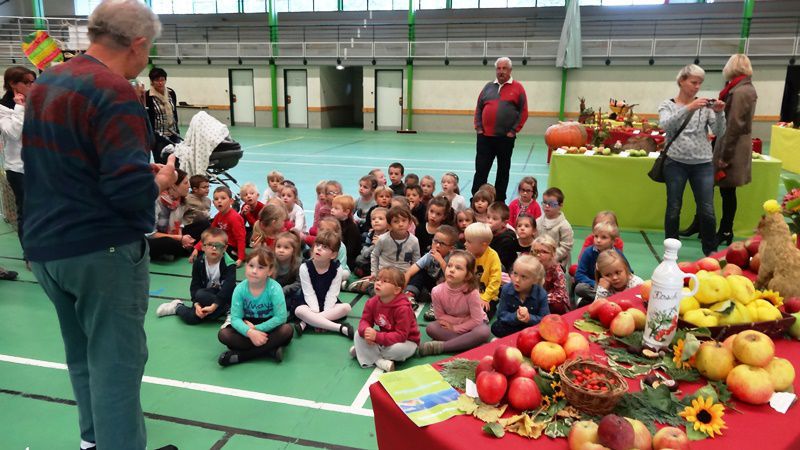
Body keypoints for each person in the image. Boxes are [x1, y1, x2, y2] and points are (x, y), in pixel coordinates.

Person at [21, 1, 174, 448]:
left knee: (83, 357)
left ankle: (92, 442)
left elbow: (59, 165)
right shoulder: (115, 90)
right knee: (117, 365)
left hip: (48, 246)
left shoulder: (48, 81)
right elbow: (126, 189)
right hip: (101, 251)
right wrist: (159, 180)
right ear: (139, 43)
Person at [659, 64, 726, 256]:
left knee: (707, 210)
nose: (697, 87)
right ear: (681, 81)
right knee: (673, 207)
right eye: (693, 82)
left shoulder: (706, 107)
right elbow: (665, 125)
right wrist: (688, 108)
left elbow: (720, 132)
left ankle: (711, 252)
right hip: (675, 163)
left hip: (703, 164)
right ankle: (671, 250)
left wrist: (720, 113)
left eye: (700, 83)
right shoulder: (667, 105)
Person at [217, 247, 294, 366]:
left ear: (270, 271)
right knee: (224, 335)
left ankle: (242, 356)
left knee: (287, 330)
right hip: (247, 326)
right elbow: (236, 318)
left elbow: (281, 318)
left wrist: (257, 329)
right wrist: (249, 332)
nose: (254, 271)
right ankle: (269, 350)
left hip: (269, 326)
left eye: (261, 267)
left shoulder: (274, 288)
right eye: (251, 265)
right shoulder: (240, 289)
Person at [712, 54, 757, 246]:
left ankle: (725, 230)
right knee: (726, 191)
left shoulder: (740, 92)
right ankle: (723, 229)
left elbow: (734, 125)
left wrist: (725, 155)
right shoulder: (741, 88)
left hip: (733, 146)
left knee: (727, 191)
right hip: (733, 143)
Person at [471, 57, 528, 203]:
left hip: (505, 138)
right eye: (499, 68)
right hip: (485, 138)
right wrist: (478, 128)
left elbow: (523, 112)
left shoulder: (518, 88)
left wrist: (513, 131)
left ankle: (500, 200)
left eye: (504, 68)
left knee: (503, 170)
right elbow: (479, 107)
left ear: (510, 70)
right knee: (481, 170)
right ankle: (476, 198)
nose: (501, 71)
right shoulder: (488, 87)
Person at [156, 227, 236, 324]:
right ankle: (177, 306)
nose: (214, 248)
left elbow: (228, 288)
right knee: (193, 317)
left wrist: (214, 306)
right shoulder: (199, 262)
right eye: (210, 245)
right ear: (202, 247)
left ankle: (230, 311)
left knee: (205, 300)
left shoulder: (229, 264)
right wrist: (196, 304)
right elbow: (195, 286)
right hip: (207, 297)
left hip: (225, 299)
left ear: (225, 248)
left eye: (218, 245)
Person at [419, 250, 490, 356]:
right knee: (431, 328)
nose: (451, 270)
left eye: (458, 268)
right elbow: (440, 316)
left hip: (474, 325)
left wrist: (456, 328)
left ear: (468, 276)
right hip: (450, 325)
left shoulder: (472, 291)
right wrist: (455, 324)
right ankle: (470, 344)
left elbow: (476, 320)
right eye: (449, 266)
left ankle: (442, 347)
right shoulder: (436, 291)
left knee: (483, 332)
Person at [351, 267, 420, 372]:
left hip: (406, 342)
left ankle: (364, 352)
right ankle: (379, 361)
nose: (378, 283)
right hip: (384, 340)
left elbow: (401, 335)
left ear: (397, 290)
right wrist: (366, 331)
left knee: (396, 350)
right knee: (358, 334)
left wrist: (377, 336)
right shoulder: (372, 302)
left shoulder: (403, 308)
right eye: (377, 279)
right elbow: (365, 321)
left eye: (385, 281)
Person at [0, 66, 35, 262]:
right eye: (27, 82)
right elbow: (13, 133)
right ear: (13, 84)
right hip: (19, 169)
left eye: (33, 81)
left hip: (40, 166)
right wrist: (20, 107)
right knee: (27, 212)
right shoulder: (3, 108)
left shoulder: (36, 102)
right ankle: (30, 255)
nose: (32, 85)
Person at [295, 230, 354, 337]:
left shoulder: (337, 268)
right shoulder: (305, 267)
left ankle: (307, 323)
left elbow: (333, 292)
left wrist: (323, 311)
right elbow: (308, 292)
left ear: (333, 255)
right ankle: (339, 328)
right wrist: (315, 311)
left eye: (325, 247)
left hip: (329, 303)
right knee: (299, 311)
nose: (319, 248)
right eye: (317, 245)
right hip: (308, 302)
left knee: (346, 307)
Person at [491, 255, 549, 338]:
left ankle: (521, 338)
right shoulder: (506, 289)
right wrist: (516, 316)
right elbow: (501, 315)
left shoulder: (541, 294)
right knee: (496, 327)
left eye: (523, 277)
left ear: (535, 280)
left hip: (531, 327)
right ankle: (520, 337)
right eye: (515, 273)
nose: (517, 280)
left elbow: (545, 319)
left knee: (544, 330)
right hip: (512, 325)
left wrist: (529, 318)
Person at [575, 221, 631, 307]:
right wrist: (596, 284)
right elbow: (579, 274)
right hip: (595, 286)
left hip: (615, 285)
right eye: (596, 236)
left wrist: (616, 281)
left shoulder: (618, 254)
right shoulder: (588, 252)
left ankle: (592, 301)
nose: (598, 240)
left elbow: (629, 272)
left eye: (604, 237)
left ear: (613, 241)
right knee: (580, 288)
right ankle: (612, 299)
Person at [405, 224, 458, 308]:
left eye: (442, 244)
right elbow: (411, 271)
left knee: (448, 283)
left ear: (451, 248)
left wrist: (440, 260)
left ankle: (437, 304)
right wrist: (401, 288)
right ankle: (409, 295)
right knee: (420, 272)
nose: (437, 245)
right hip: (432, 284)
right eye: (435, 241)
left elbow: (451, 277)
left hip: (446, 286)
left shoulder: (453, 258)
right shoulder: (430, 254)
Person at [191, 186, 246, 265]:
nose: (219, 201)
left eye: (223, 198)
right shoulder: (218, 216)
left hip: (231, 247)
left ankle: (235, 255)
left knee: (217, 254)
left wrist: (241, 258)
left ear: (231, 201)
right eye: (216, 199)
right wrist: (197, 248)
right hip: (220, 244)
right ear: (213, 202)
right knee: (202, 252)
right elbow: (210, 233)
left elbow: (240, 239)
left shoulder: (234, 218)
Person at [464, 222, 502, 320]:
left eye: (469, 242)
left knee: (482, 314)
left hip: (488, 296)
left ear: (483, 244)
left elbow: (495, 280)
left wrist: (485, 298)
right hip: (469, 293)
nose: (465, 244)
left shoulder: (493, 256)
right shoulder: (467, 254)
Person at [145, 66, 180, 164]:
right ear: (152, 81)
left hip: (173, 133)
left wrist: (177, 130)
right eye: (157, 80)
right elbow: (148, 118)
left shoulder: (171, 93)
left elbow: (174, 112)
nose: (160, 82)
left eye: (162, 79)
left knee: (177, 162)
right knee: (161, 162)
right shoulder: (148, 96)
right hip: (158, 136)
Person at [535, 187, 574, 268]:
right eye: (544, 202)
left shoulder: (564, 226)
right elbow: (534, 240)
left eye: (552, 204)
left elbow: (566, 247)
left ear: (560, 205)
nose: (547, 206)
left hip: (556, 261)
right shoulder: (538, 221)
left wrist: (551, 258)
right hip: (538, 259)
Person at [533, 235, 569, 314]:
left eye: (544, 252)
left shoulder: (557, 270)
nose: (538, 255)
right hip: (534, 301)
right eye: (536, 251)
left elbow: (560, 295)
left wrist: (541, 298)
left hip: (551, 303)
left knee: (557, 305)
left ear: (552, 254)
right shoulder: (531, 266)